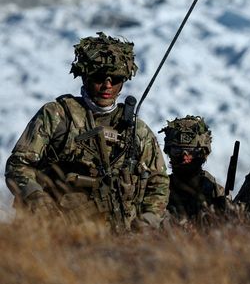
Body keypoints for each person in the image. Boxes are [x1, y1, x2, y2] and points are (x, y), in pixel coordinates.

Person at [5, 32, 169, 231]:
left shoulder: (136, 130)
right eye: (100, 77)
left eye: (115, 79)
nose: (107, 85)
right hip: (55, 231)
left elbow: (158, 181)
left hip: (120, 235)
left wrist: (147, 220)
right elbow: (18, 165)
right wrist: (38, 200)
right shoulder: (58, 115)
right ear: (85, 76)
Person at [160, 115, 229, 224]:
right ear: (169, 152)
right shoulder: (158, 191)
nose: (185, 157)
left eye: (192, 151)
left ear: (204, 153)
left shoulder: (215, 192)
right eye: (177, 151)